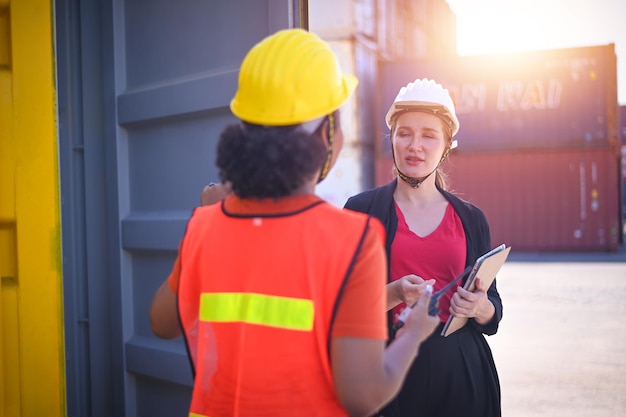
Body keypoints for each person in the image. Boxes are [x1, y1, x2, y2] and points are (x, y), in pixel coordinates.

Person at [148, 29, 440, 417]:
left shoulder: (205, 224)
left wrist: (206, 221)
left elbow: (161, 322)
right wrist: (415, 333)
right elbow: (364, 395)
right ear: (327, 132)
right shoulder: (352, 239)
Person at [344, 78, 503, 417]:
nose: (415, 145)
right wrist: (393, 293)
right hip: (387, 375)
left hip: (461, 373)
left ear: (446, 146)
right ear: (393, 140)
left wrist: (479, 307)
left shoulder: (472, 219)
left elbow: (493, 310)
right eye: (405, 133)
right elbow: (340, 306)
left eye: (428, 135)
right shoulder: (360, 211)